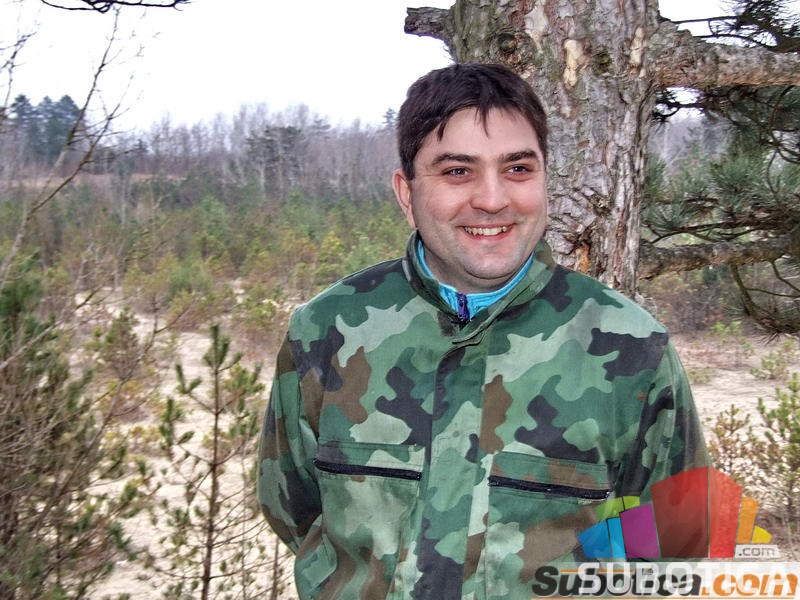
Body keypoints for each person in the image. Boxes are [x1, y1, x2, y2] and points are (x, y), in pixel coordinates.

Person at [257, 63, 709, 600]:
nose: (492, 199)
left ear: (545, 180)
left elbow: (672, 546)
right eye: (457, 171)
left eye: (517, 168)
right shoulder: (327, 331)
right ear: (406, 193)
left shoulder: (632, 349)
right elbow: (295, 509)